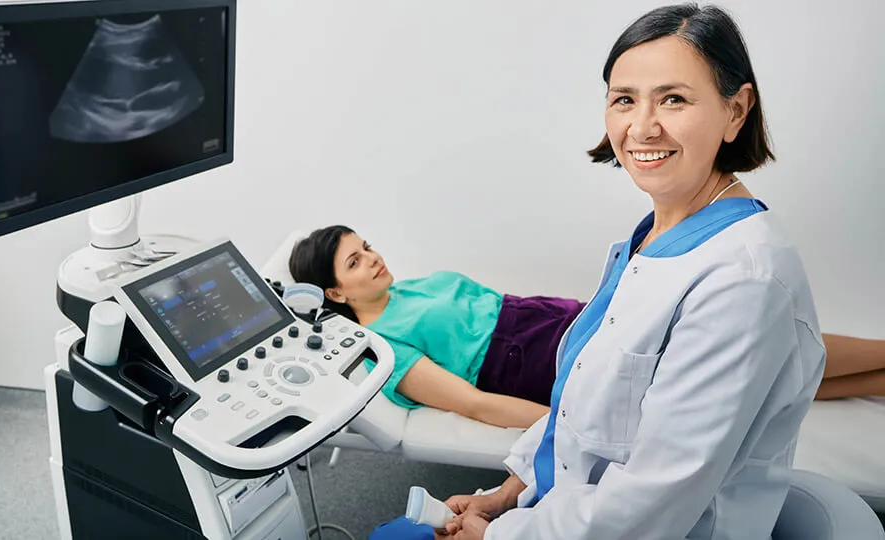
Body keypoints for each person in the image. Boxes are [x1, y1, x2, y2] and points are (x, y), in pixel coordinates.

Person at [358, 3, 849, 538]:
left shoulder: (744, 278)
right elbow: (579, 414)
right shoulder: (652, 238)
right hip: (565, 509)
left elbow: (649, 506)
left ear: (736, 110)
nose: (642, 126)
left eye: (674, 99)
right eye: (624, 100)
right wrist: (505, 495)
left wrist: (501, 535)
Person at [289, 225, 885, 429]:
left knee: (727, 353)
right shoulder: (382, 348)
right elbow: (473, 405)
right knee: (731, 351)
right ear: (336, 292)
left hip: (558, 319)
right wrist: (564, 429)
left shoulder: (408, 286)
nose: (373, 256)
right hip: (541, 362)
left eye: (366, 244)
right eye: (355, 260)